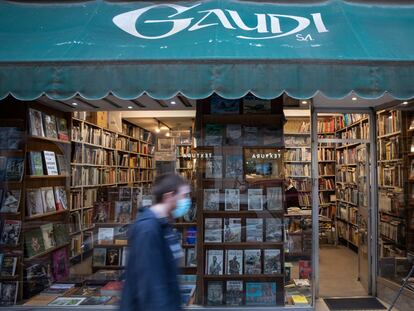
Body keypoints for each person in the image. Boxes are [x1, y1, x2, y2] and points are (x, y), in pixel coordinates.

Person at [120, 173, 191, 311]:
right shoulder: (148, 230)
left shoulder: (164, 225)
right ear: (169, 196)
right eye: (183, 196)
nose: (186, 201)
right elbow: (150, 287)